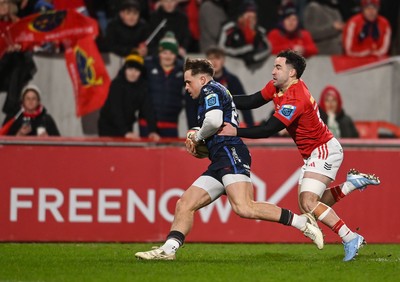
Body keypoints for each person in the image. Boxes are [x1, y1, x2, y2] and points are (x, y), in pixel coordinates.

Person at [135, 57, 324, 260]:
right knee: (185, 203)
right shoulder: (218, 90)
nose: (186, 87)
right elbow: (232, 111)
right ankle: (168, 250)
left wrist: (198, 136)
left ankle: (301, 222)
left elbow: (215, 121)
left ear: (202, 79)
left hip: (230, 152)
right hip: (220, 157)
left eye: (189, 82)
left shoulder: (210, 90)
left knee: (244, 207)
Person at [219, 50, 380, 261]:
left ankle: (350, 237)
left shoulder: (296, 98)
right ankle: (350, 184)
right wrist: (222, 98)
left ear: (292, 72)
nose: (273, 71)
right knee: (311, 206)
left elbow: (269, 129)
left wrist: (235, 131)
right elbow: (251, 101)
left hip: (324, 149)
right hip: (315, 152)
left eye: (278, 67)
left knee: (308, 202)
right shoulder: (277, 86)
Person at [142, 31, 197, 137]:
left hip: (170, 123)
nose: (168, 56)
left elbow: (191, 98)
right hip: (146, 124)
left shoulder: (184, 71)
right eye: (164, 52)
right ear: (159, 53)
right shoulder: (147, 66)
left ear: (176, 54)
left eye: (171, 53)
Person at [98, 54, 160, 141]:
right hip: (108, 125)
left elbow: (148, 109)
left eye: (136, 70)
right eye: (130, 69)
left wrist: (153, 131)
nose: (133, 73)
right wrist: (125, 132)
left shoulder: (142, 87)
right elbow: (116, 110)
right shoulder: (117, 84)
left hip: (127, 125)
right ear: (125, 70)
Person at [206, 46, 254, 127]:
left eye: (217, 58)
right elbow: (192, 107)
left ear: (223, 60)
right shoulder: (201, 81)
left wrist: (250, 126)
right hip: (206, 127)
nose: (214, 62)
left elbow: (244, 102)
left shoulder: (232, 80)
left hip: (227, 127)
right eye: (211, 59)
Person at [218, 0, 271, 67]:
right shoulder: (229, 28)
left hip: (253, 72)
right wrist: (243, 51)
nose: (251, 20)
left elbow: (267, 49)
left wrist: (254, 58)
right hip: (230, 66)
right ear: (241, 17)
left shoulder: (260, 31)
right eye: (248, 17)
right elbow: (221, 48)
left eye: (253, 17)